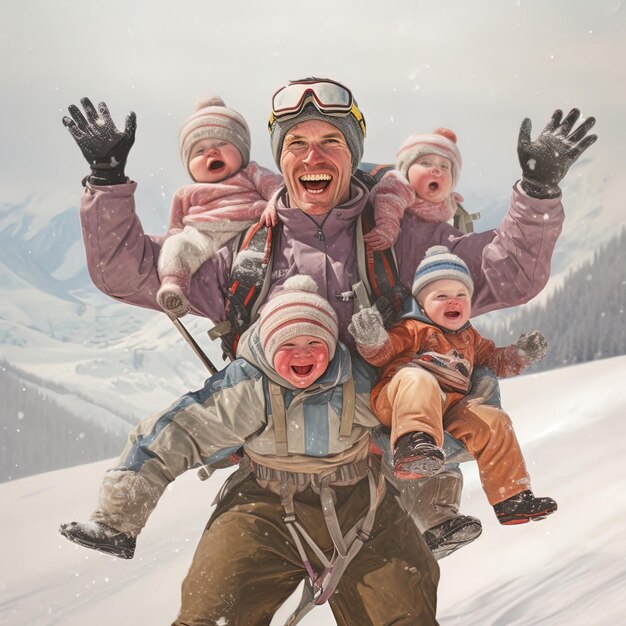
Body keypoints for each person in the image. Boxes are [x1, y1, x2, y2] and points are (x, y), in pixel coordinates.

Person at [62, 78, 596, 625]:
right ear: (280, 157)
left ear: (353, 153)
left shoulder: (402, 242)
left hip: (371, 486)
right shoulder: (247, 247)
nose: (312, 155)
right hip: (262, 494)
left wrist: (537, 191)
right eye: (296, 143)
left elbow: (503, 275)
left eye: (330, 142)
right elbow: (131, 273)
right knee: (207, 617)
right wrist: (106, 181)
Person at [58, 276, 386, 558]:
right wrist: (117, 520)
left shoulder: (354, 382)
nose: (303, 352)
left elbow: (412, 422)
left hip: (358, 496)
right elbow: (180, 433)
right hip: (267, 499)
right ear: (270, 346)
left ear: (330, 344)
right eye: (289, 343)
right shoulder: (250, 386)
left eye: (314, 342)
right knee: (214, 596)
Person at [349, 245, 557, 525]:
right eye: (441, 296)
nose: (453, 302)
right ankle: (414, 446)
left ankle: (512, 498)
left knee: (494, 420)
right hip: (401, 402)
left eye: (461, 295)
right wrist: (373, 340)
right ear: (422, 303)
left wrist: (519, 355)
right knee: (419, 378)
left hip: (449, 413)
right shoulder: (412, 329)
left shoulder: (469, 337)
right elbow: (383, 353)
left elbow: (493, 361)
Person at [156, 96, 282, 317]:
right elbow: (175, 229)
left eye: (222, 144)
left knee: (258, 259)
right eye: (199, 150)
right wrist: (172, 247)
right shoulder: (186, 193)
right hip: (202, 234)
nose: (211, 152)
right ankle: (175, 287)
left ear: (241, 151)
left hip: (250, 229)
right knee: (176, 245)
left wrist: (273, 203)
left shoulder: (251, 172)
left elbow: (277, 188)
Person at [364, 128, 464, 251]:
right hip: (404, 243)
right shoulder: (400, 185)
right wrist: (387, 228)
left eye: (444, 166)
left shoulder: (448, 199)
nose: (436, 170)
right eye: (426, 163)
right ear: (407, 170)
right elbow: (389, 203)